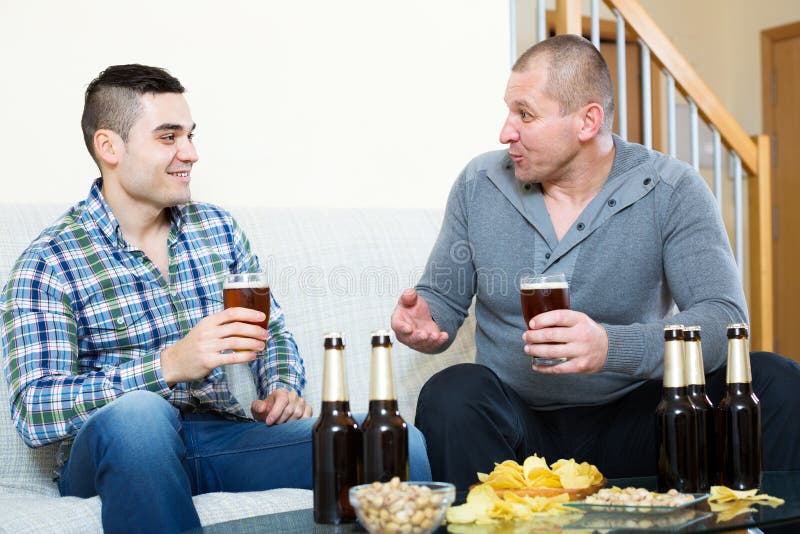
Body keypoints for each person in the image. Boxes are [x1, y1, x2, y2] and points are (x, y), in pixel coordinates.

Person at [0, 64, 430, 533]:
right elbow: (34, 411)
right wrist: (167, 365)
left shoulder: (216, 229)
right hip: (115, 451)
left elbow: (271, 331)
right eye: (169, 137)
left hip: (220, 438)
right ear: (109, 147)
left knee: (391, 441)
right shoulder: (50, 261)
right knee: (140, 415)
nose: (190, 153)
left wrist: (281, 386)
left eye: (190, 135)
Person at [391, 34, 800, 491]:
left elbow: (724, 320)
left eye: (525, 114)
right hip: (519, 431)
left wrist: (610, 346)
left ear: (588, 121)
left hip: (639, 422)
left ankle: (762, 521)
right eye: (509, 112)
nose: (506, 132)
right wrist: (425, 318)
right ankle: (493, 520)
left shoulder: (672, 190)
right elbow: (442, 300)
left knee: (777, 380)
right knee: (451, 393)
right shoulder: (479, 183)